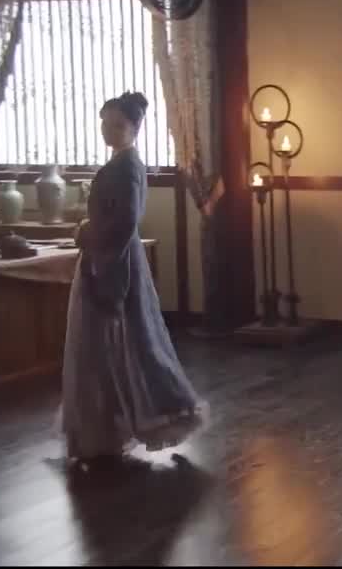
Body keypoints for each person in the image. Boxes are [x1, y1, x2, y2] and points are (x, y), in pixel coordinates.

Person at [58, 91, 206, 467]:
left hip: (115, 259)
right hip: (104, 254)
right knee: (103, 346)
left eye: (118, 125)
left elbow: (126, 221)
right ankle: (106, 427)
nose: (110, 130)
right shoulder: (119, 163)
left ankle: (145, 416)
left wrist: (93, 241)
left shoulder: (128, 166)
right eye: (105, 123)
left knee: (127, 340)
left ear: (134, 128)